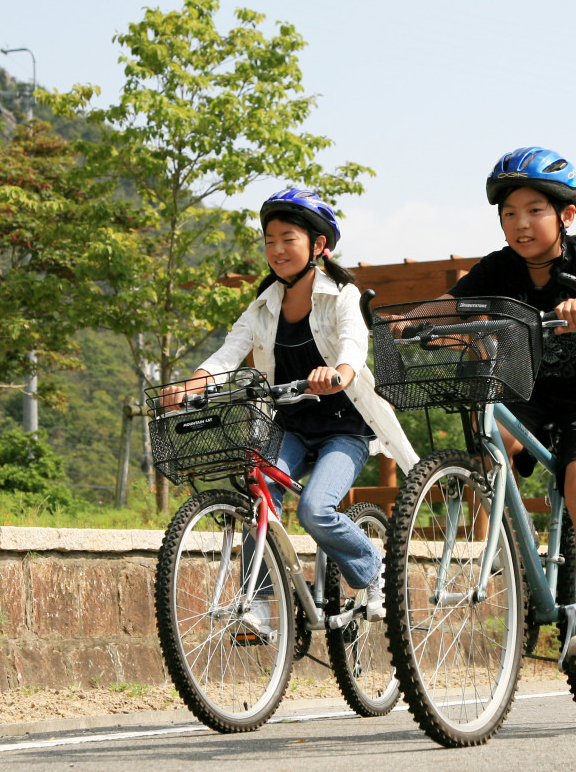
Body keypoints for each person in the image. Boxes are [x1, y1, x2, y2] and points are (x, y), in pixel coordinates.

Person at [162, 188, 418, 635]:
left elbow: (354, 345)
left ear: (319, 245)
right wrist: (190, 385)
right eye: (269, 240)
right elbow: (229, 352)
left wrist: (338, 372)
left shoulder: (342, 294)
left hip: (344, 429)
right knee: (258, 495)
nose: (276, 250)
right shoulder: (264, 304)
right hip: (289, 427)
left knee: (316, 510)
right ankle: (258, 601)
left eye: (288, 239)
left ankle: (373, 565)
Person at [445, 146, 576, 668]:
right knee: (488, 451)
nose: (520, 224)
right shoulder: (497, 270)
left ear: (565, 215)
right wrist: (417, 327)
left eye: (534, 211)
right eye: (509, 213)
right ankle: (516, 560)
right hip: (527, 394)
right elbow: (446, 309)